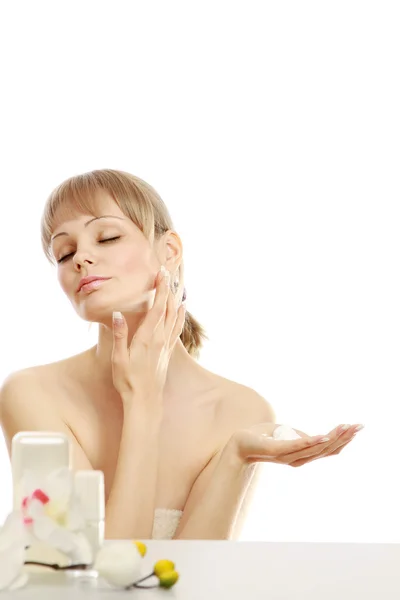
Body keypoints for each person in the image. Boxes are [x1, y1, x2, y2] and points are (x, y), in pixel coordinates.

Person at [0, 169, 363, 540]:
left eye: (107, 237)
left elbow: (193, 585)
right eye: (64, 253)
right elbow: (101, 586)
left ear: (169, 251)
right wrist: (142, 401)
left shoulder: (241, 412)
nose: (81, 259)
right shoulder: (31, 394)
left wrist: (234, 456)